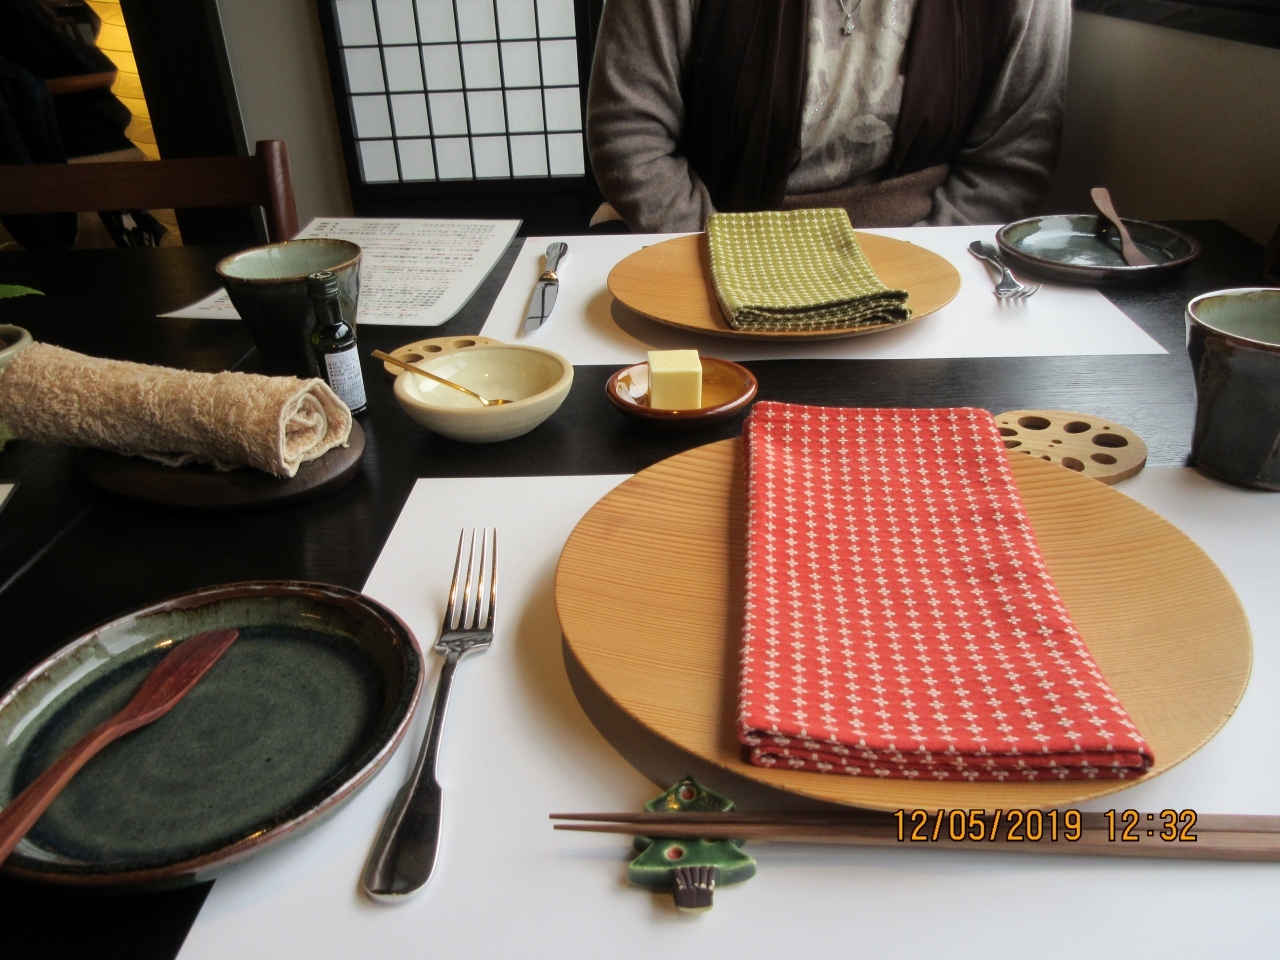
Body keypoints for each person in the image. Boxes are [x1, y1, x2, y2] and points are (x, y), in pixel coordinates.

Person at [586, 0, 1070, 233]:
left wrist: (926, 269)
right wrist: (720, 255)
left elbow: (1011, 159)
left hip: (927, 249)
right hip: (715, 240)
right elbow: (630, 132)